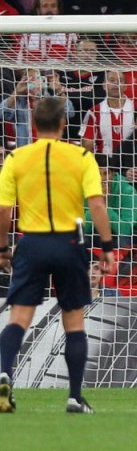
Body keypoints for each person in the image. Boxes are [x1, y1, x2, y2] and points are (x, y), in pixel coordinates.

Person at [0, 96, 115, 414]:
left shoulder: (16, 157)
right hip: (69, 243)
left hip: (32, 242)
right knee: (74, 322)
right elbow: (96, 205)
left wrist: (2, 248)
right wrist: (106, 247)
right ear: (64, 123)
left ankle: (3, 376)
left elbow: (4, 209)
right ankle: (75, 397)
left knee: (19, 319)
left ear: (34, 124)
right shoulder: (81, 156)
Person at [0, 68, 75, 148]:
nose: (36, 82)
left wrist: (59, 91)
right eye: (31, 79)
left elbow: (70, 113)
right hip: (27, 151)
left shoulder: (52, 100)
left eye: (38, 77)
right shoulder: (18, 102)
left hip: (50, 150)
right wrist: (16, 92)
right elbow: (3, 114)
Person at [84, 153, 137, 247]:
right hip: (96, 232)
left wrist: (104, 207)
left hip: (127, 235)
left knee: (123, 240)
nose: (102, 179)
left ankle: (122, 262)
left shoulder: (128, 191)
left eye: (106, 173)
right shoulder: (84, 190)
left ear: (113, 174)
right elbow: (82, 230)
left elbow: (125, 231)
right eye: (97, 174)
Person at [79, 70, 135, 155]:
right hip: (104, 164)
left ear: (125, 86)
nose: (116, 83)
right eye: (112, 80)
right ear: (104, 85)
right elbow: (87, 144)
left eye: (120, 80)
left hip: (132, 164)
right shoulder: (94, 111)